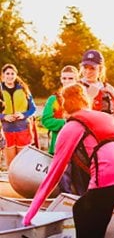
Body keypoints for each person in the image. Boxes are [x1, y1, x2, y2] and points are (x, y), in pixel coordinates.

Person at [23, 83, 114, 238]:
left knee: (88, 224)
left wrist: (29, 216)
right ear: (85, 100)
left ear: (64, 104)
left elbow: (54, 174)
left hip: (109, 175)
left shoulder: (71, 127)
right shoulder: (104, 117)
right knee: (83, 212)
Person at [41, 65, 79, 193]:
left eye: (71, 78)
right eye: (64, 78)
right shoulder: (53, 99)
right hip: (59, 144)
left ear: (77, 80)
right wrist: (65, 123)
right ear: (61, 80)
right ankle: (65, 201)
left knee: (80, 178)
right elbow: (45, 120)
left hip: (79, 145)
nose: (67, 81)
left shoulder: (81, 98)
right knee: (64, 177)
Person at [0, 64, 37, 167]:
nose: (10, 76)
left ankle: (22, 183)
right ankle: (12, 183)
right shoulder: (0, 90)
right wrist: (3, 117)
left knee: (23, 164)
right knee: (11, 164)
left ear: (16, 75)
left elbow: (33, 109)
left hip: (23, 131)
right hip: (6, 131)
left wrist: (23, 115)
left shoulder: (24, 89)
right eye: (7, 73)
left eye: (12, 73)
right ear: (3, 75)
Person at [79, 49, 114, 125]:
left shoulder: (108, 88)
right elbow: (70, 117)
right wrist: (90, 98)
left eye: (92, 68)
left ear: (100, 69)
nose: (88, 71)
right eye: (85, 67)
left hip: (104, 132)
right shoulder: (76, 87)